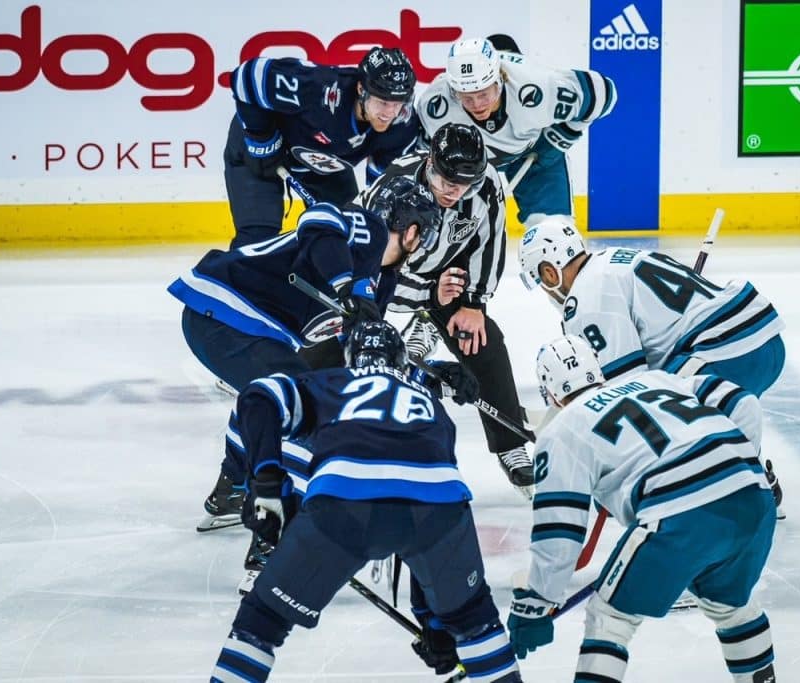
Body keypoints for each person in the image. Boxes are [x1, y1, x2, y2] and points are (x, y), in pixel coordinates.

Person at [209, 321, 522, 683]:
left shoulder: (331, 382)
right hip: (439, 506)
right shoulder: (427, 401)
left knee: (262, 622)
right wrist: (436, 622)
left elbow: (257, 396)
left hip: (343, 507)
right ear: (403, 361)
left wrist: (265, 481)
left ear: (349, 359)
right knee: (474, 621)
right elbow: (418, 505)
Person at [167, 175, 442, 541]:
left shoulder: (383, 282)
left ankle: (231, 490)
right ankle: (271, 538)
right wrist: (347, 285)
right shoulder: (369, 230)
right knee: (304, 409)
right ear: (412, 231)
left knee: (279, 397)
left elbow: (367, 357)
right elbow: (318, 220)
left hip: (244, 329)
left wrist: (431, 377)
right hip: (225, 309)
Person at [506, 335, 777, 683]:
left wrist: (537, 601)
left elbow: (560, 531)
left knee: (609, 619)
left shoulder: (561, 430)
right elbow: (743, 402)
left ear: (551, 394)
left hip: (678, 514)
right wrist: (736, 466)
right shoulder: (658, 379)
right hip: (753, 497)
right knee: (731, 605)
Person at [518, 219, 786, 513]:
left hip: (726, 355)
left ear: (550, 272)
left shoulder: (586, 302)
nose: (545, 292)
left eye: (541, 282)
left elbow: (626, 388)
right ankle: (751, 474)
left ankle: (736, 494)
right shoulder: (612, 259)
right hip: (763, 342)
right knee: (676, 398)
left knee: (662, 415)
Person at [360, 121, 534, 495]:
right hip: (380, 272)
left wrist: (473, 303)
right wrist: (428, 296)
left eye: (464, 183)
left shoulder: (484, 185)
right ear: (429, 163)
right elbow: (374, 270)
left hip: (445, 275)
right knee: (343, 349)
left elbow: (490, 242)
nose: (454, 190)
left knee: (482, 341)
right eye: (445, 180)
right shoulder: (394, 191)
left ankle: (511, 442)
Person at [225, 47, 419, 248]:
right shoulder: (318, 89)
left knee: (350, 238)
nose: (390, 113)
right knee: (257, 241)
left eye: (398, 103)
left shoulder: (402, 127)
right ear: (361, 90)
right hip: (260, 150)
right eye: (383, 102)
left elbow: (381, 192)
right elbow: (247, 76)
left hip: (324, 164)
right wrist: (262, 139)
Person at [416, 36, 617, 227]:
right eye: (467, 97)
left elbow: (604, 93)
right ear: (453, 91)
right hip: (464, 167)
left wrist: (557, 139)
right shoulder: (435, 105)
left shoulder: (537, 87)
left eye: (484, 94)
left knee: (553, 232)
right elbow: (423, 156)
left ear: (499, 81)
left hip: (534, 156)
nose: (477, 105)